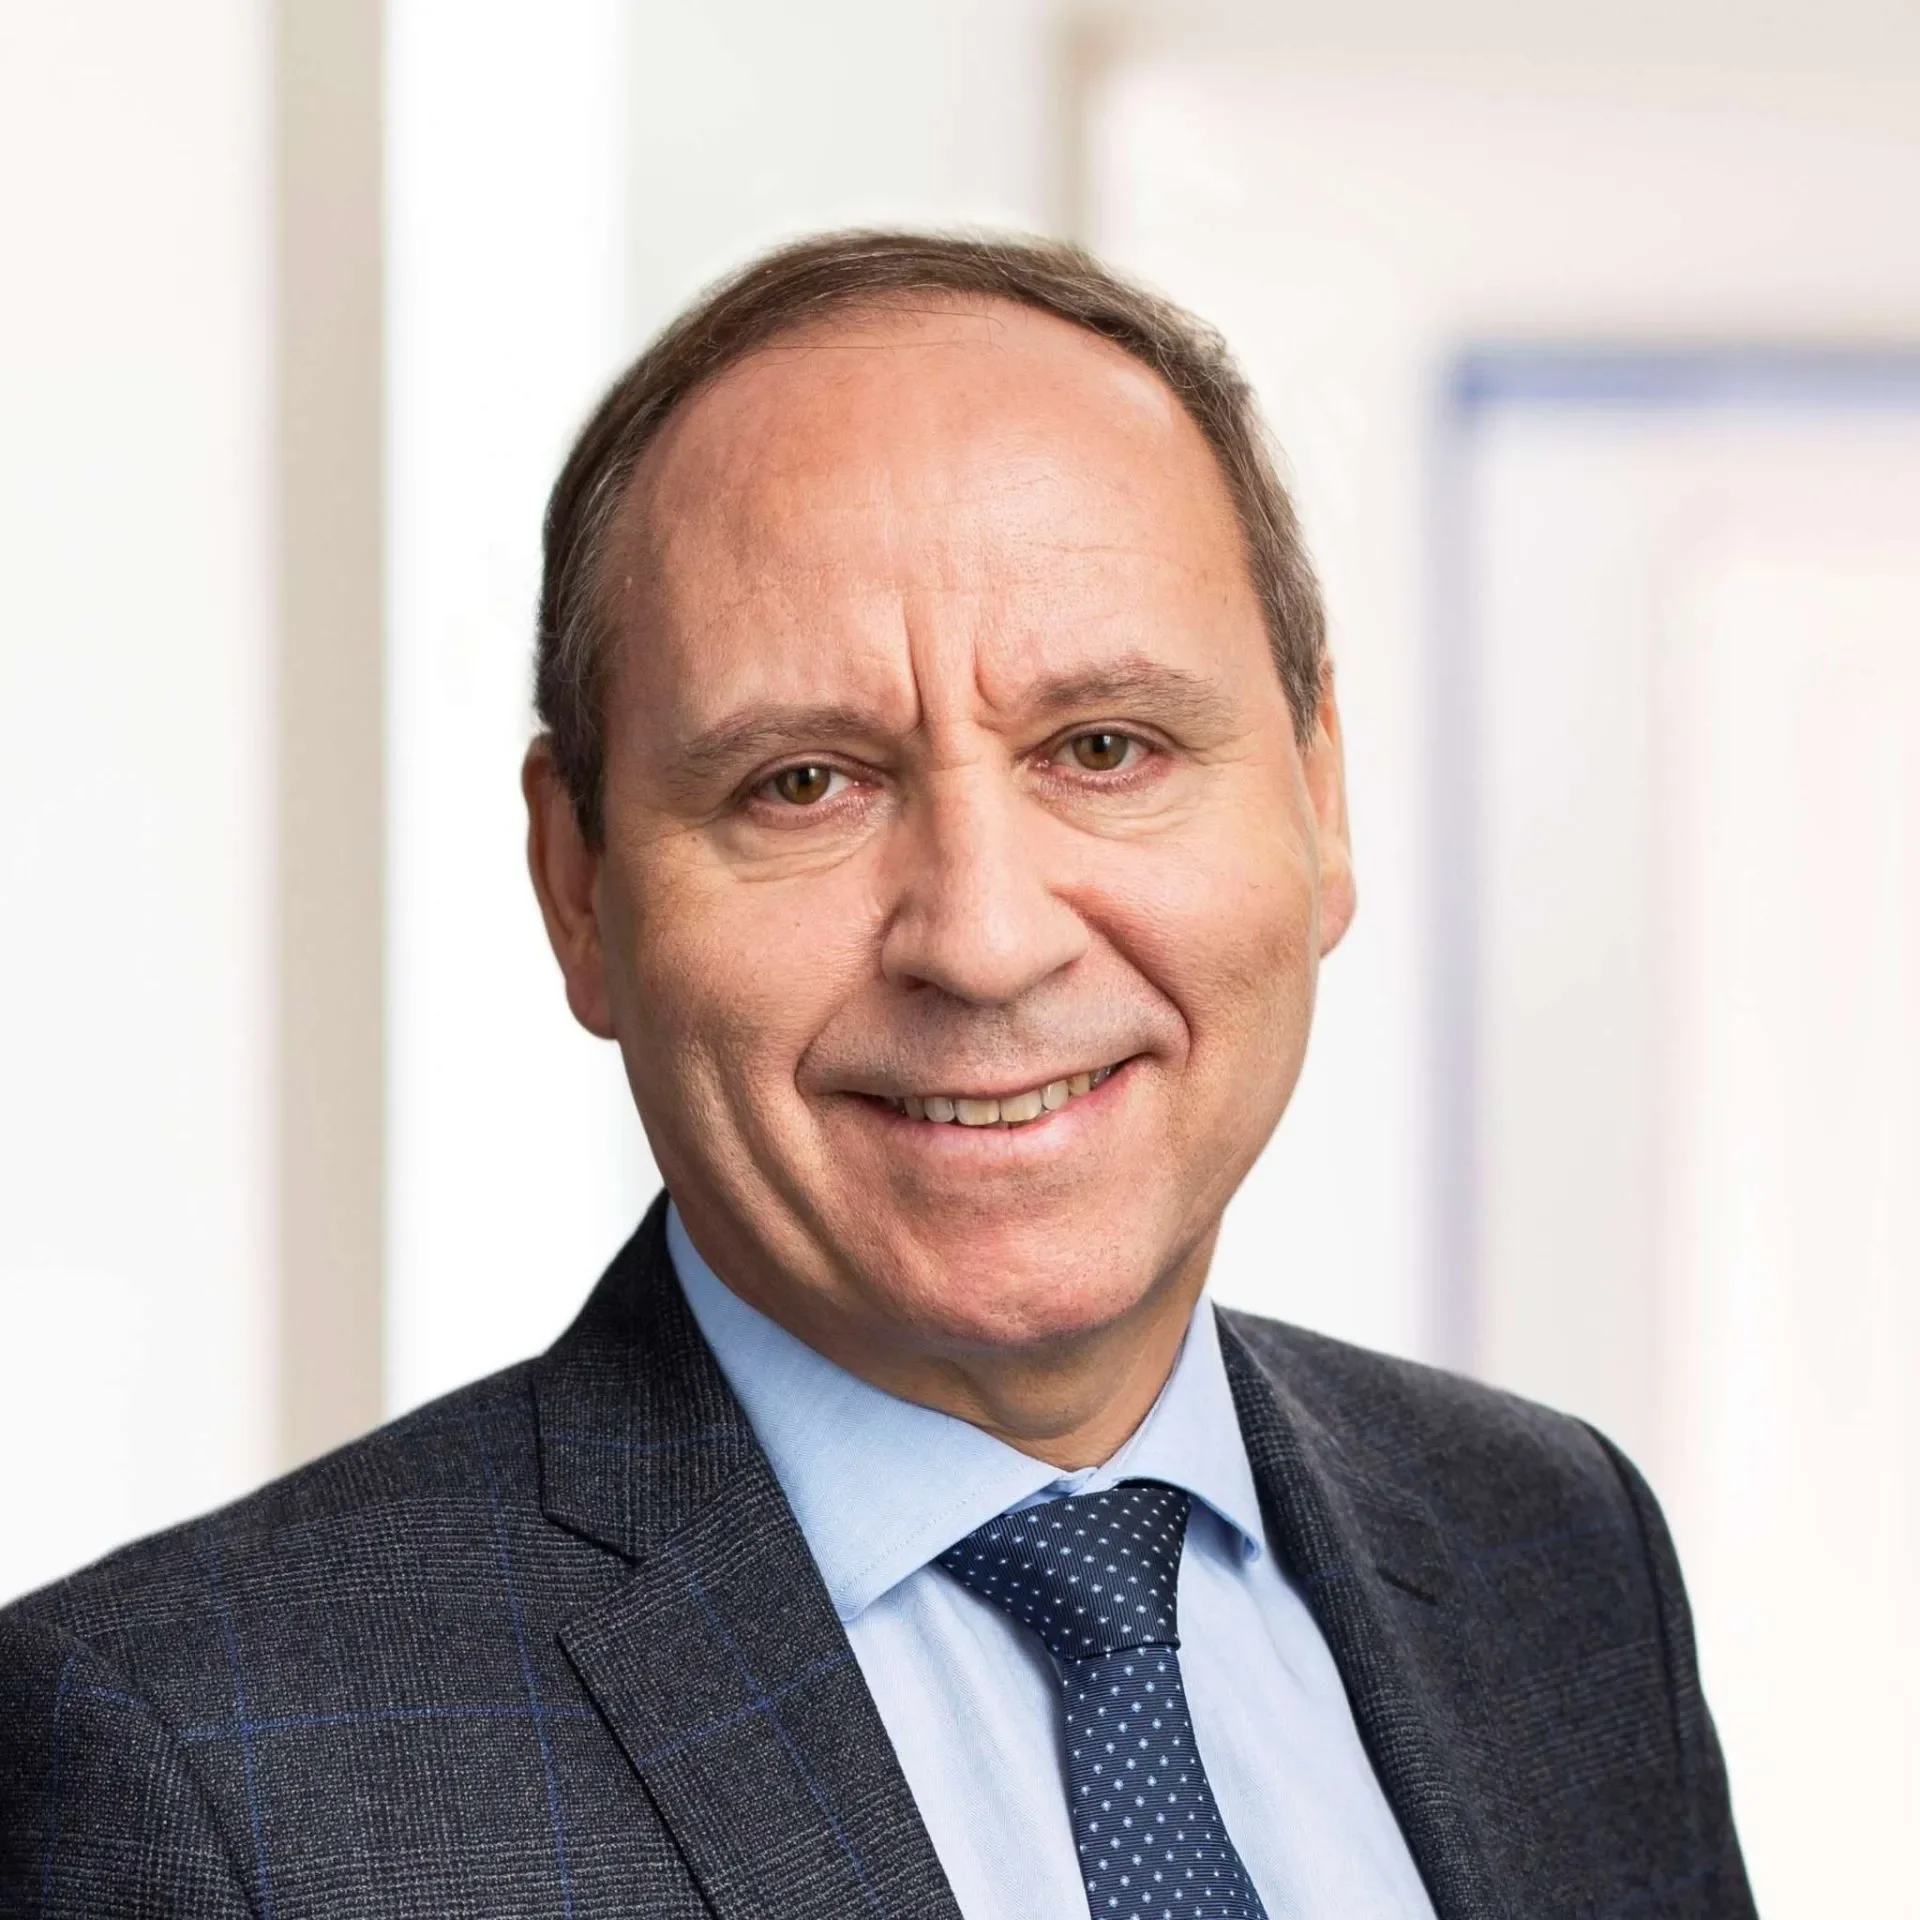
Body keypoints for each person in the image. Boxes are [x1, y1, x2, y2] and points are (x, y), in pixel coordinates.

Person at [0, 232, 1754, 1919]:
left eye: (1106, 745)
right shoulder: (200, 1779)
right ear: (582, 888)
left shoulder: (1552, 1558)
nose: (984, 940)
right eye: (803, 785)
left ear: (1320, 796)